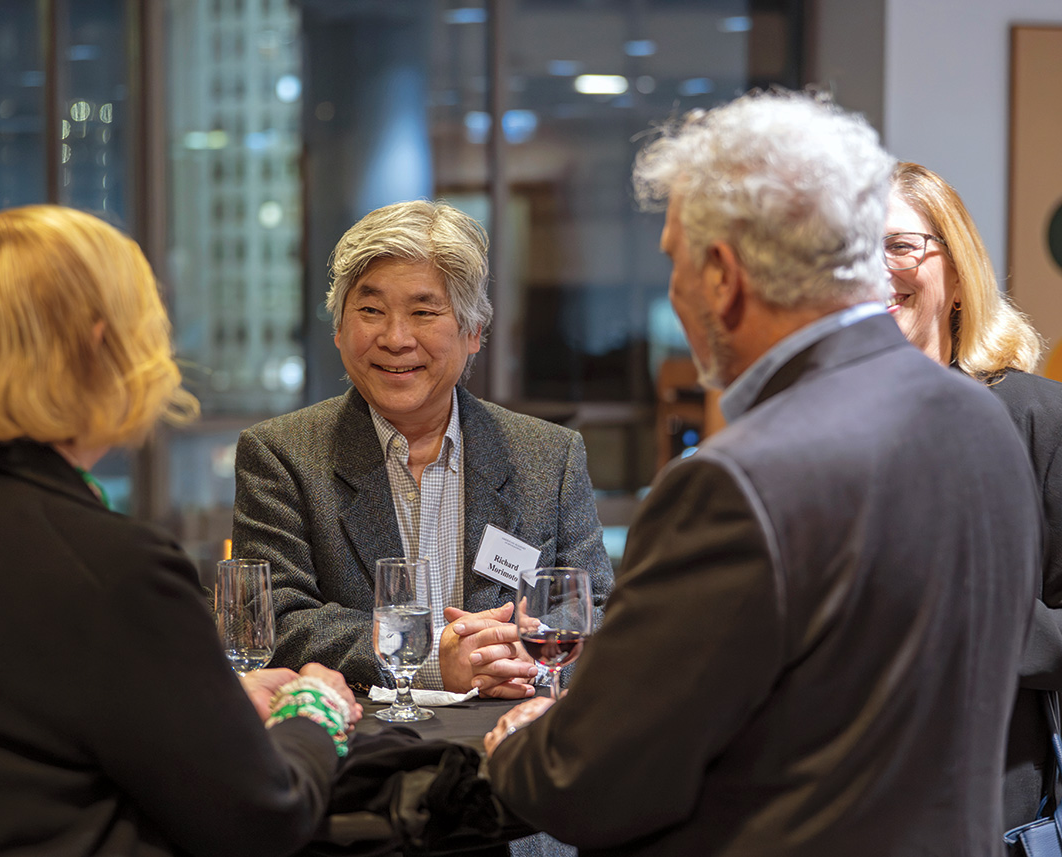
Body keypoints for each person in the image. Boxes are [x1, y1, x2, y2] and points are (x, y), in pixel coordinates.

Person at [484, 91, 1042, 856]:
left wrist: (519, 746)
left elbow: (588, 780)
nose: (673, 291)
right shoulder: (982, 422)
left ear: (722, 274)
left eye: (675, 260)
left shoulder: (733, 483)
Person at [0, 205, 362, 857]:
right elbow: (264, 819)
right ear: (101, 348)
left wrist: (208, 699)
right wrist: (316, 712)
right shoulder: (113, 568)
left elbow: (1, 721)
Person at [233, 199, 613, 699]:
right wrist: (432, 658)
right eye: (371, 311)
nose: (395, 339)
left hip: (514, 732)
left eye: (423, 312)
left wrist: (526, 659)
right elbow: (277, 622)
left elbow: (596, 613)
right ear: (339, 328)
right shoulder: (280, 455)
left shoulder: (548, 455)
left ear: (473, 331)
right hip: (361, 739)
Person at [888, 160, 1062, 831]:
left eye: (900, 245)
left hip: (983, 814)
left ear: (958, 275)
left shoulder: (1037, 418)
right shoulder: (800, 430)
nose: (873, 270)